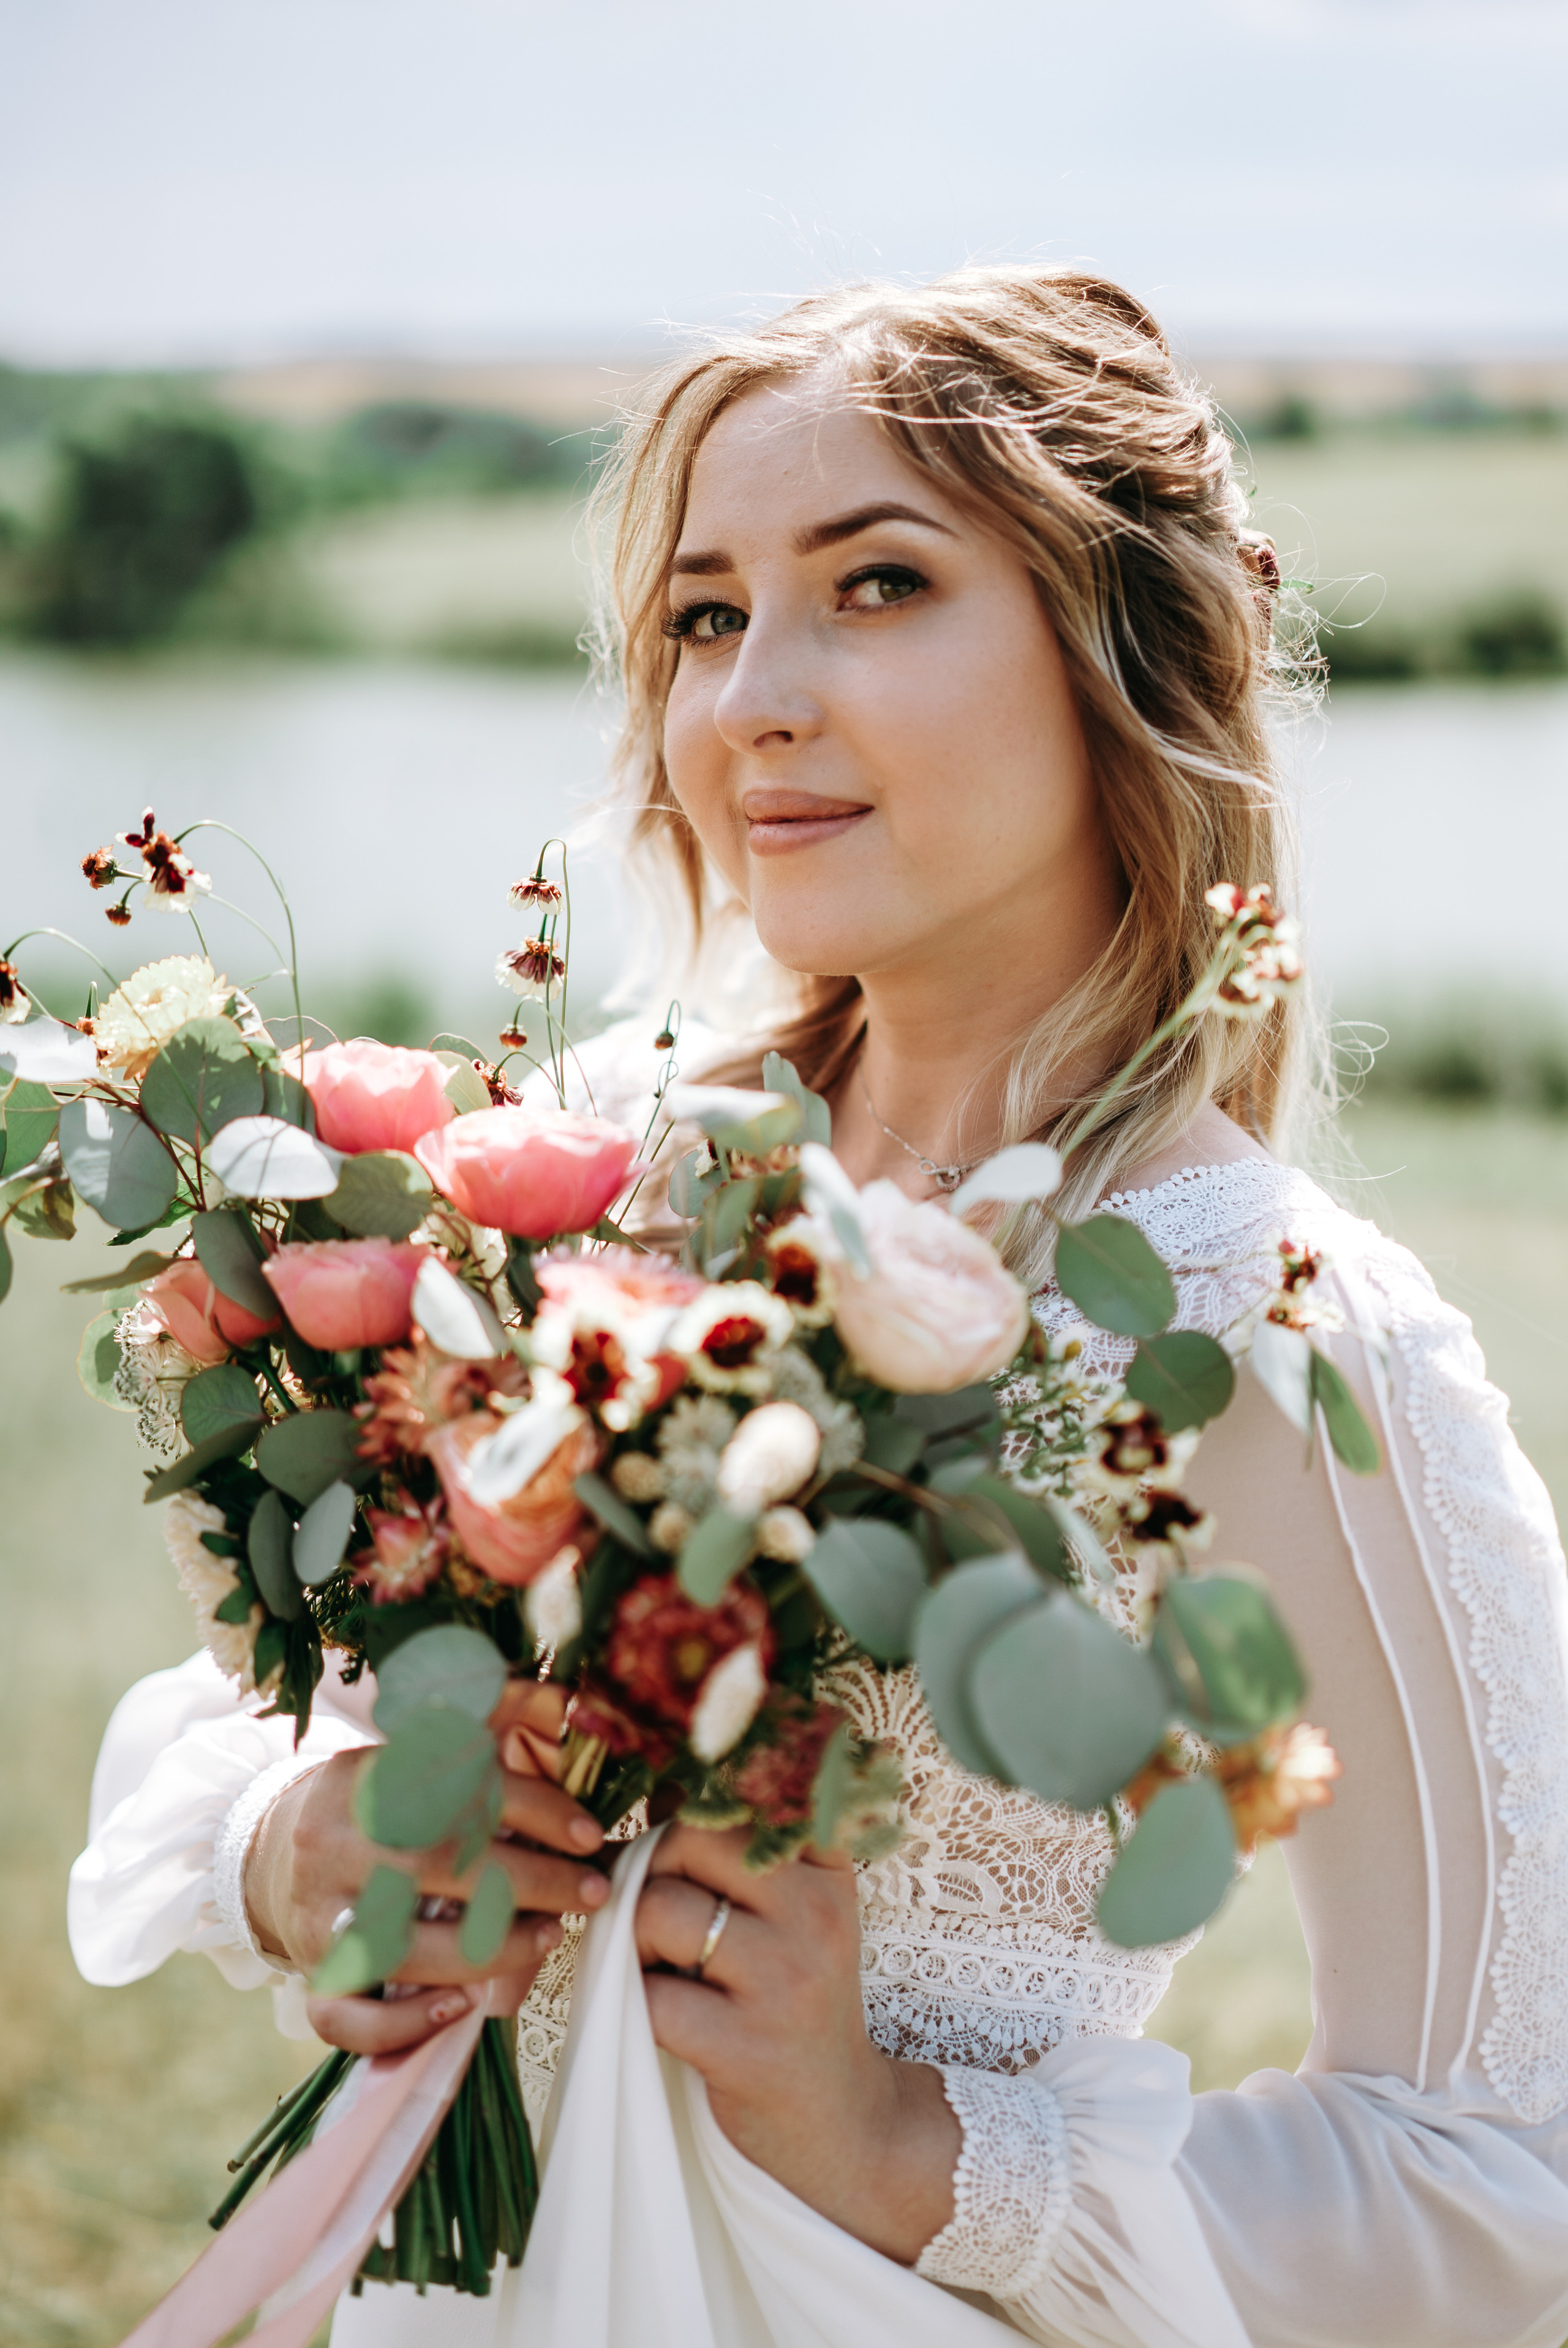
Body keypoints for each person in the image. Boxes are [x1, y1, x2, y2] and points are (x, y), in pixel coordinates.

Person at [69, 268, 1568, 2348]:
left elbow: (1503, 2167)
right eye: (706, 616)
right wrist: (306, 1838)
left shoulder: (1274, 1324)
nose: (752, 699)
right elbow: (309, 1710)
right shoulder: (593, 1175)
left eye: (877, 585)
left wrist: (910, 2147)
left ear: (1123, 644)